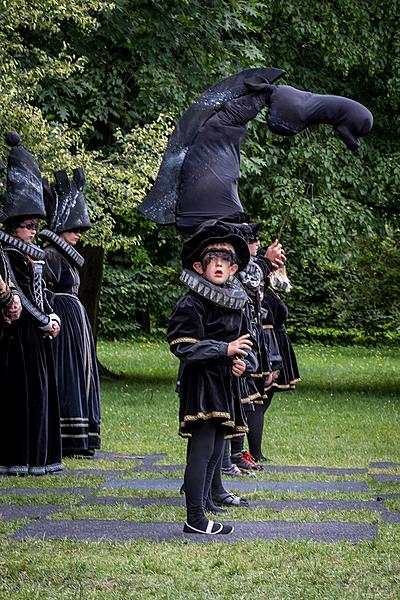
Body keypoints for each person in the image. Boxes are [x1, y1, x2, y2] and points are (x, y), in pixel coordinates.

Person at [167, 220, 257, 535]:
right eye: (212, 260)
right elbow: (183, 348)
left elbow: (248, 345)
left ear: (234, 269)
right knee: (201, 450)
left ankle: (203, 509)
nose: (219, 265)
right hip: (202, 386)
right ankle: (194, 518)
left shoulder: (237, 305)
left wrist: (242, 363)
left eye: (226, 261)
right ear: (198, 266)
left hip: (226, 386)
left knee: (217, 452)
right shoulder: (190, 302)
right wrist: (224, 349)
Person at [0, 131, 62, 475]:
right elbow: (18, 293)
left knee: (39, 395)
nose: (32, 231)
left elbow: (39, 292)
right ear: (13, 226)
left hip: (36, 335)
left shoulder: (31, 255)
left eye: (36, 225)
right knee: (19, 398)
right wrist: (44, 320)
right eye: (26, 225)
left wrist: (50, 314)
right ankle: (17, 458)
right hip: (17, 334)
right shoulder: (7, 251)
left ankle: (40, 457)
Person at [40, 168, 101, 457]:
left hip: (76, 324)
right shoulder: (51, 254)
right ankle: (69, 437)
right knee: (67, 376)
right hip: (63, 323)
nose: (78, 235)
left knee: (81, 375)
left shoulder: (66, 256)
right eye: (74, 229)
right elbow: (43, 291)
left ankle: (83, 437)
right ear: (61, 228)